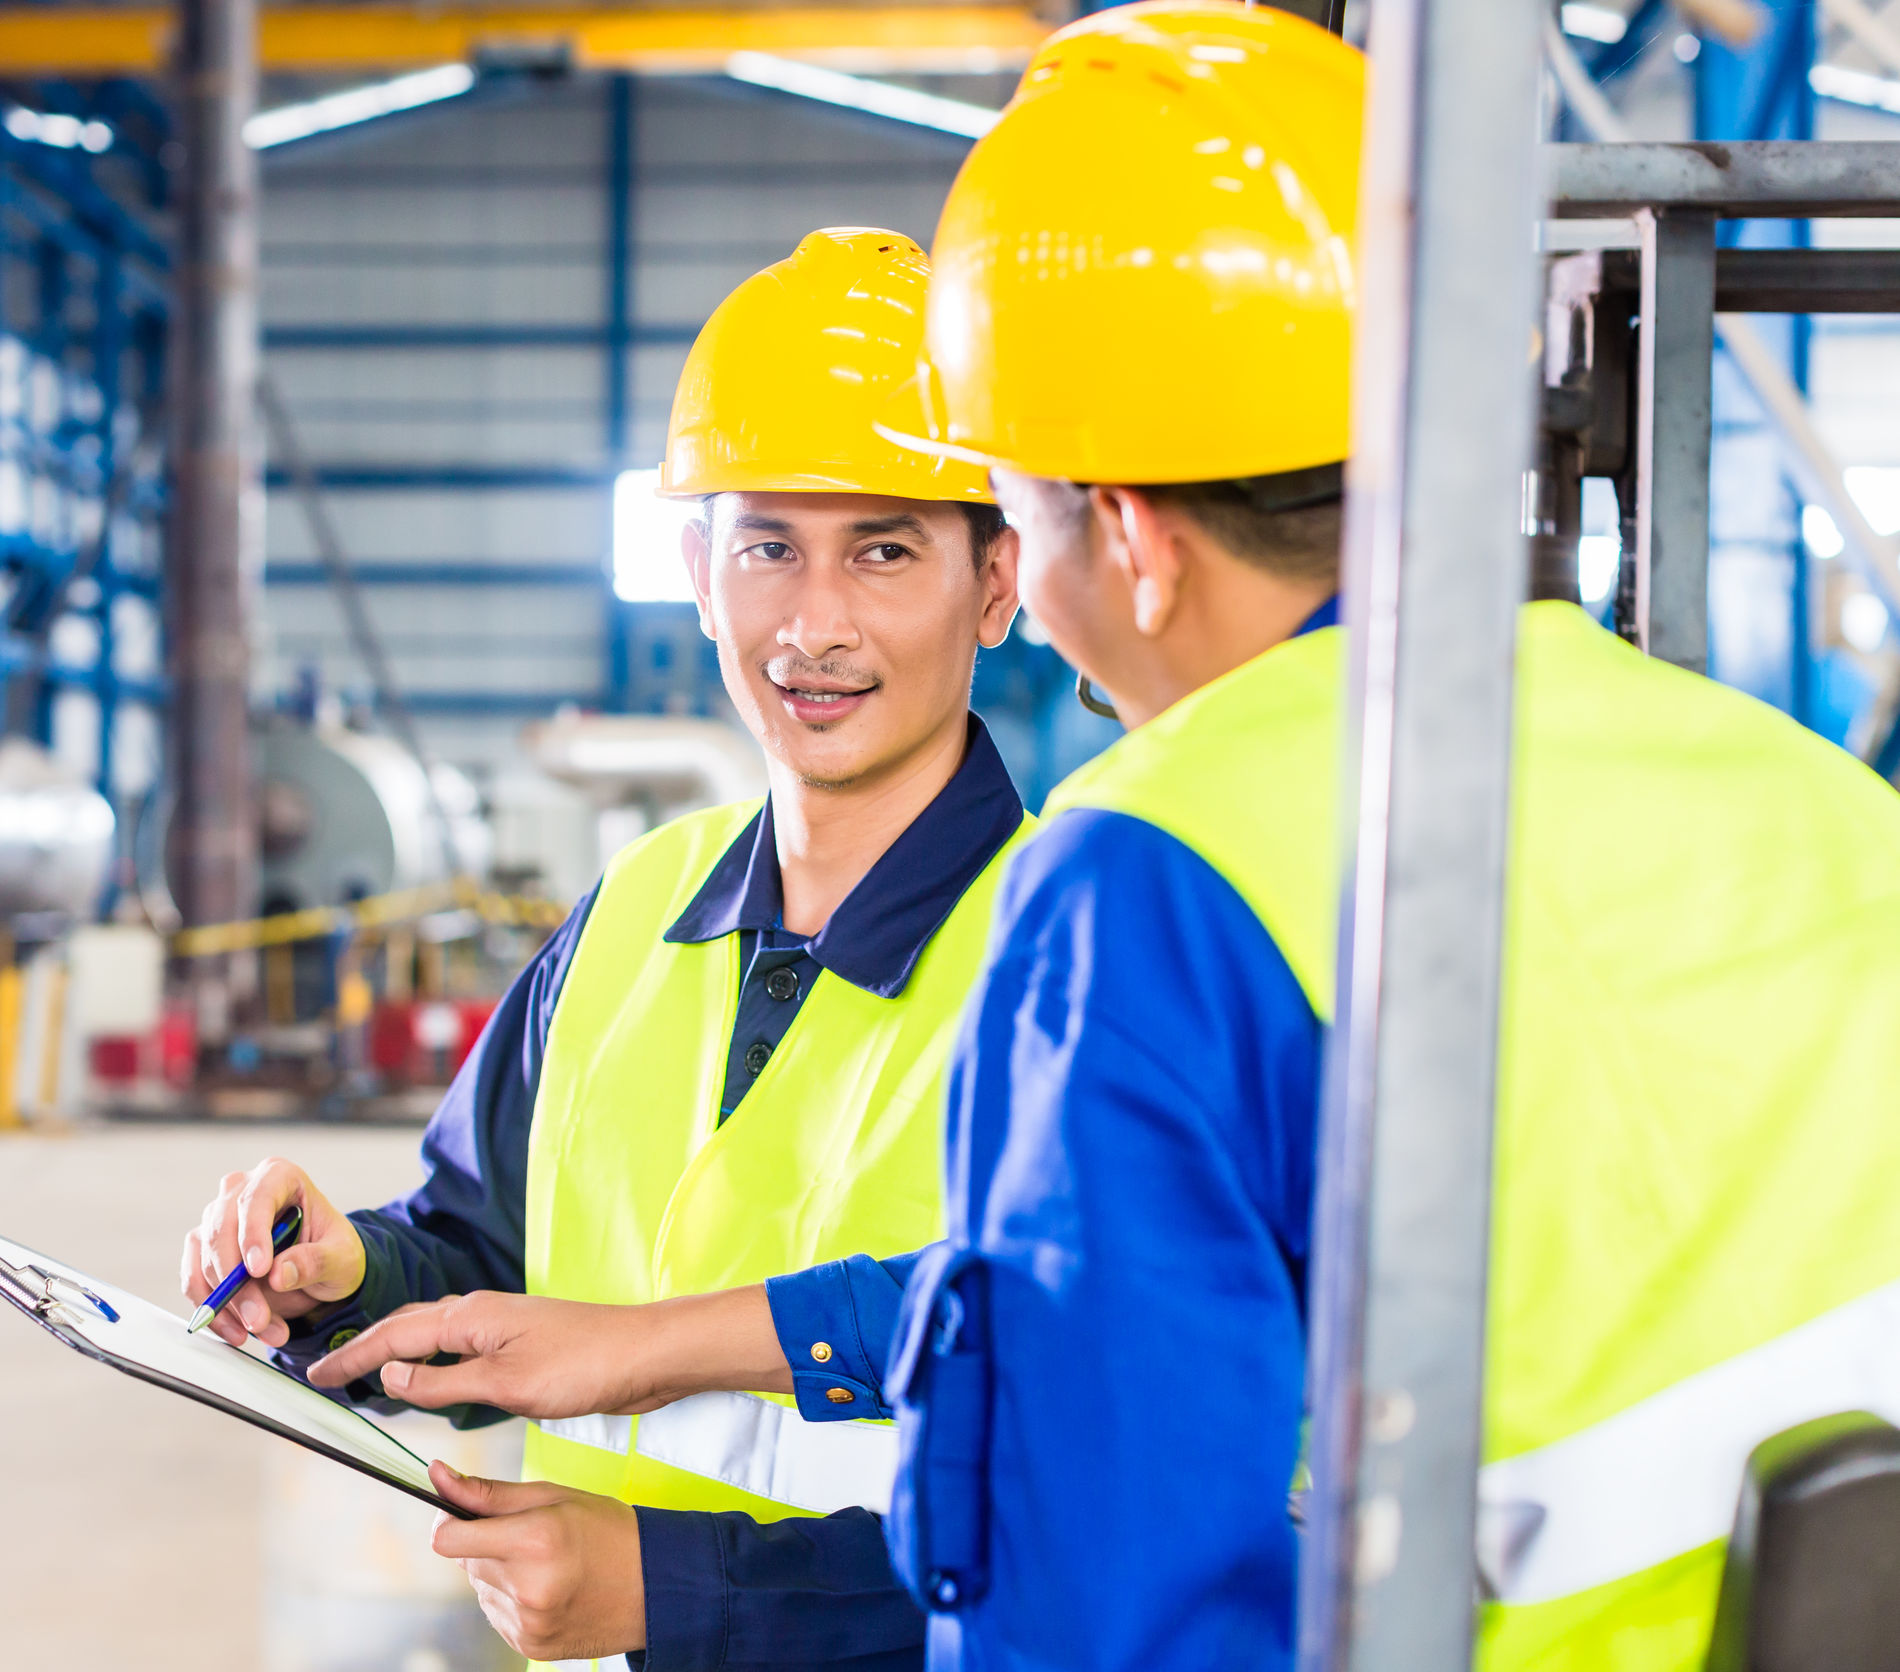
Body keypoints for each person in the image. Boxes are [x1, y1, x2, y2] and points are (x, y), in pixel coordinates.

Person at [316, 6, 1900, 1670]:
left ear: (1125, 539)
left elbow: (1103, 1593)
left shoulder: (1165, 862)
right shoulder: (1799, 792)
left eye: (1024, 510)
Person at [180, 227, 1040, 1670]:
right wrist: (347, 1279)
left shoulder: (1065, 950)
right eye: (769, 546)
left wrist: (699, 1598)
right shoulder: (634, 910)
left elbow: (1096, 1460)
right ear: (701, 572)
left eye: (883, 551)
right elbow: (481, 1259)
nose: (813, 624)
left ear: (998, 584)